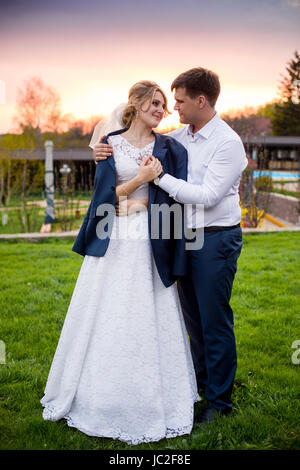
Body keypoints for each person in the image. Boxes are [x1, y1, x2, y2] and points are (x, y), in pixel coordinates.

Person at [40, 80, 201, 445]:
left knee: (151, 309)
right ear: (138, 103)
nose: (162, 110)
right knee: (111, 310)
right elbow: (102, 202)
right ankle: (100, 394)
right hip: (117, 240)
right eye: (156, 103)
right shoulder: (109, 144)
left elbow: (175, 194)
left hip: (152, 237)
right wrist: (139, 181)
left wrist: (147, 197)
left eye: (164, 105)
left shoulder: (168, 146)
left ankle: (160, 395)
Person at [93, 68, 249, 425]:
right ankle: (201, 387)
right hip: (182, 238)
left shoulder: (228, 143)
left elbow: (208, 196)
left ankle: (220, 403)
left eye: (178, 101)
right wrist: (106, 146)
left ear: (201, 100)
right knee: (192, 320)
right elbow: (139, 136)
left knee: (214, 321)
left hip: (214, 237)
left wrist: (160, 177)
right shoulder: (182, 134)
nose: (173, 107)